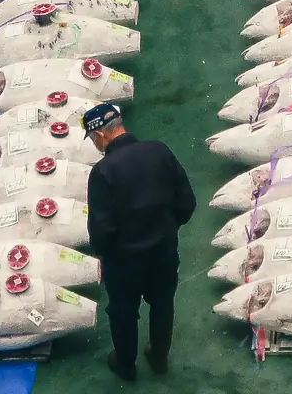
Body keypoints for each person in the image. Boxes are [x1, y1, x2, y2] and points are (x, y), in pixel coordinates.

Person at [83, 103, 195, 382]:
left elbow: (101, 231)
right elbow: (187, 203)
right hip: (163, 252)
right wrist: (166, 231)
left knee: (123, 312)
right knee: (162, 303)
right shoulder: (159, 150)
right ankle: (159, 357)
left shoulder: (102, 172)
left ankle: (126, 364)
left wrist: (107, 254)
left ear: (99, 136)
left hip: (124, 262)